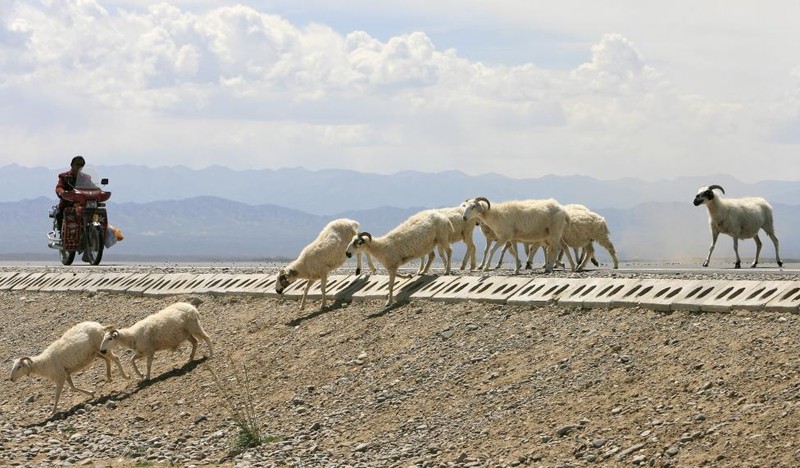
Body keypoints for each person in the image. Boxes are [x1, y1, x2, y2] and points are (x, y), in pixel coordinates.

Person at [53, 155, 86, 235]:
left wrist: (99, 192)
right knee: (60, 214)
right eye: (77, 165)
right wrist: (62, 192)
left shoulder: (85, 178)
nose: (79, 167)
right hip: (67, 204)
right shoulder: (64, 176)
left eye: (81, 165)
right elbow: (59, 187)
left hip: (82, 204)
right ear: (72, 165)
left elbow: (92, 187)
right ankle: (62, 235)